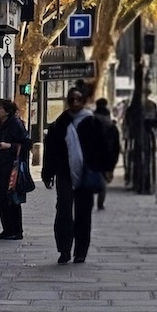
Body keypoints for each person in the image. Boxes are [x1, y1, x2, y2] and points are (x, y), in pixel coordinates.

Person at [42, 87, 107, 264]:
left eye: (78, 99)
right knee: (63, 210)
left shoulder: (92, 122)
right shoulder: (60, 123)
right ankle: (64, 249)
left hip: (86, 175)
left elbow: (101, 148)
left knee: (83, 213)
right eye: (72, 99)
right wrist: (47, 172)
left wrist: (101, 169)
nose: (75, 103)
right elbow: (51, 150)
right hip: (64, 173)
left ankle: (80, 252)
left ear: (84, 101)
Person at [0, 98, 29, 240]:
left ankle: (16, 231)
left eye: (0, 108)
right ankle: (7, 229)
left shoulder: (16, 124)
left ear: (7, 111)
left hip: (11, 168)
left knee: (11, 199)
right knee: (1, 198)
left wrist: (10, 146)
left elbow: (26, 144)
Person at [93, 97, 122, 210]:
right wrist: (113, 163)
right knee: (103, 181)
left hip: (94, 155)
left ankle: (90, 201)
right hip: (107, 156)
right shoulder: (111, 125)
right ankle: (100, 203)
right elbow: (116, 146)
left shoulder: (91, 121)